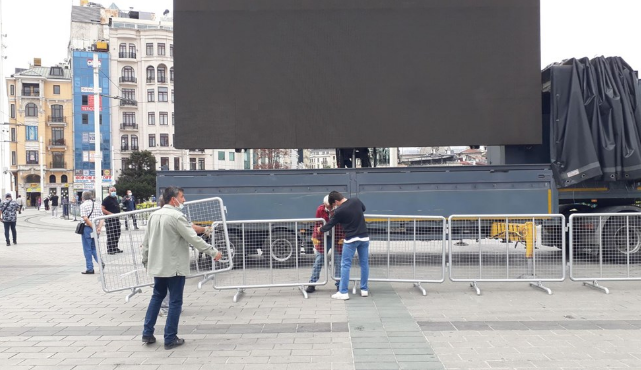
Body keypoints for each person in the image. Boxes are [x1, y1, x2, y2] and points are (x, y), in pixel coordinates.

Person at [141, 186, 222, 349]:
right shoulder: (177, 217)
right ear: (173, 199)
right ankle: (170, 338)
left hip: (158, 265)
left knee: (157, 296)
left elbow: (146, 243)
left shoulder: (154, 215)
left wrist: (146, 262)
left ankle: (147, 333)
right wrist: (213, 252)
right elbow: (194, 239)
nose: (184, 200)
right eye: (182, 197)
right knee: (175, 301)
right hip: (174, 267)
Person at [319, 191, 369, 300]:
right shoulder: (356, 200)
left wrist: (320, 229)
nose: (334, 206)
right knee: (364, 264)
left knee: (345, 265)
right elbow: (363, 209)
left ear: (336, 201)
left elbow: (330, 225)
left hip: (351, 239)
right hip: (364, 237)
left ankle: (343, 292)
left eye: (334, 204)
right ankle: (364, 289)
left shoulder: (339, 211)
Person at [306, 195, 344, 293]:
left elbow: (344, 224)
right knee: (319, 260)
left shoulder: (340, 209)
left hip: (337, 237)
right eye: (327, 206)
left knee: (338, 261)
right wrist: (315, 236)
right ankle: (312, 283)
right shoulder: (320, 210)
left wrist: (344, 237)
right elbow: (317, 224)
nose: (328, 208)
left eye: (330, 206)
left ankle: (339, 285)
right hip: (324, 238)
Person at [79, 190, 104, 274]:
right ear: (91, 197)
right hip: (96, 229)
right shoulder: (97, 205)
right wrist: (99, 227)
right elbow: (102, 217)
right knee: (94, 247)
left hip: (87, 228)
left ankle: (90, 268)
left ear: (83, 198)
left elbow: (85, 218)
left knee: (87, 249)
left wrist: (92, 227)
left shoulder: (83, 205)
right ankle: (100, 262)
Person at [101, 187, 123, 254]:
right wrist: (109, 213)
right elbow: (102, 208)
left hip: (116, 218)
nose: (113, 192)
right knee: (111, 234)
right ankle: (110, 249)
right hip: (110, 219)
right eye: (112, 191)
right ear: (109, 192)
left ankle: (115, 247)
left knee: (117, 233)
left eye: (114, 190)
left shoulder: (115, 198)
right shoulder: (106, 199)